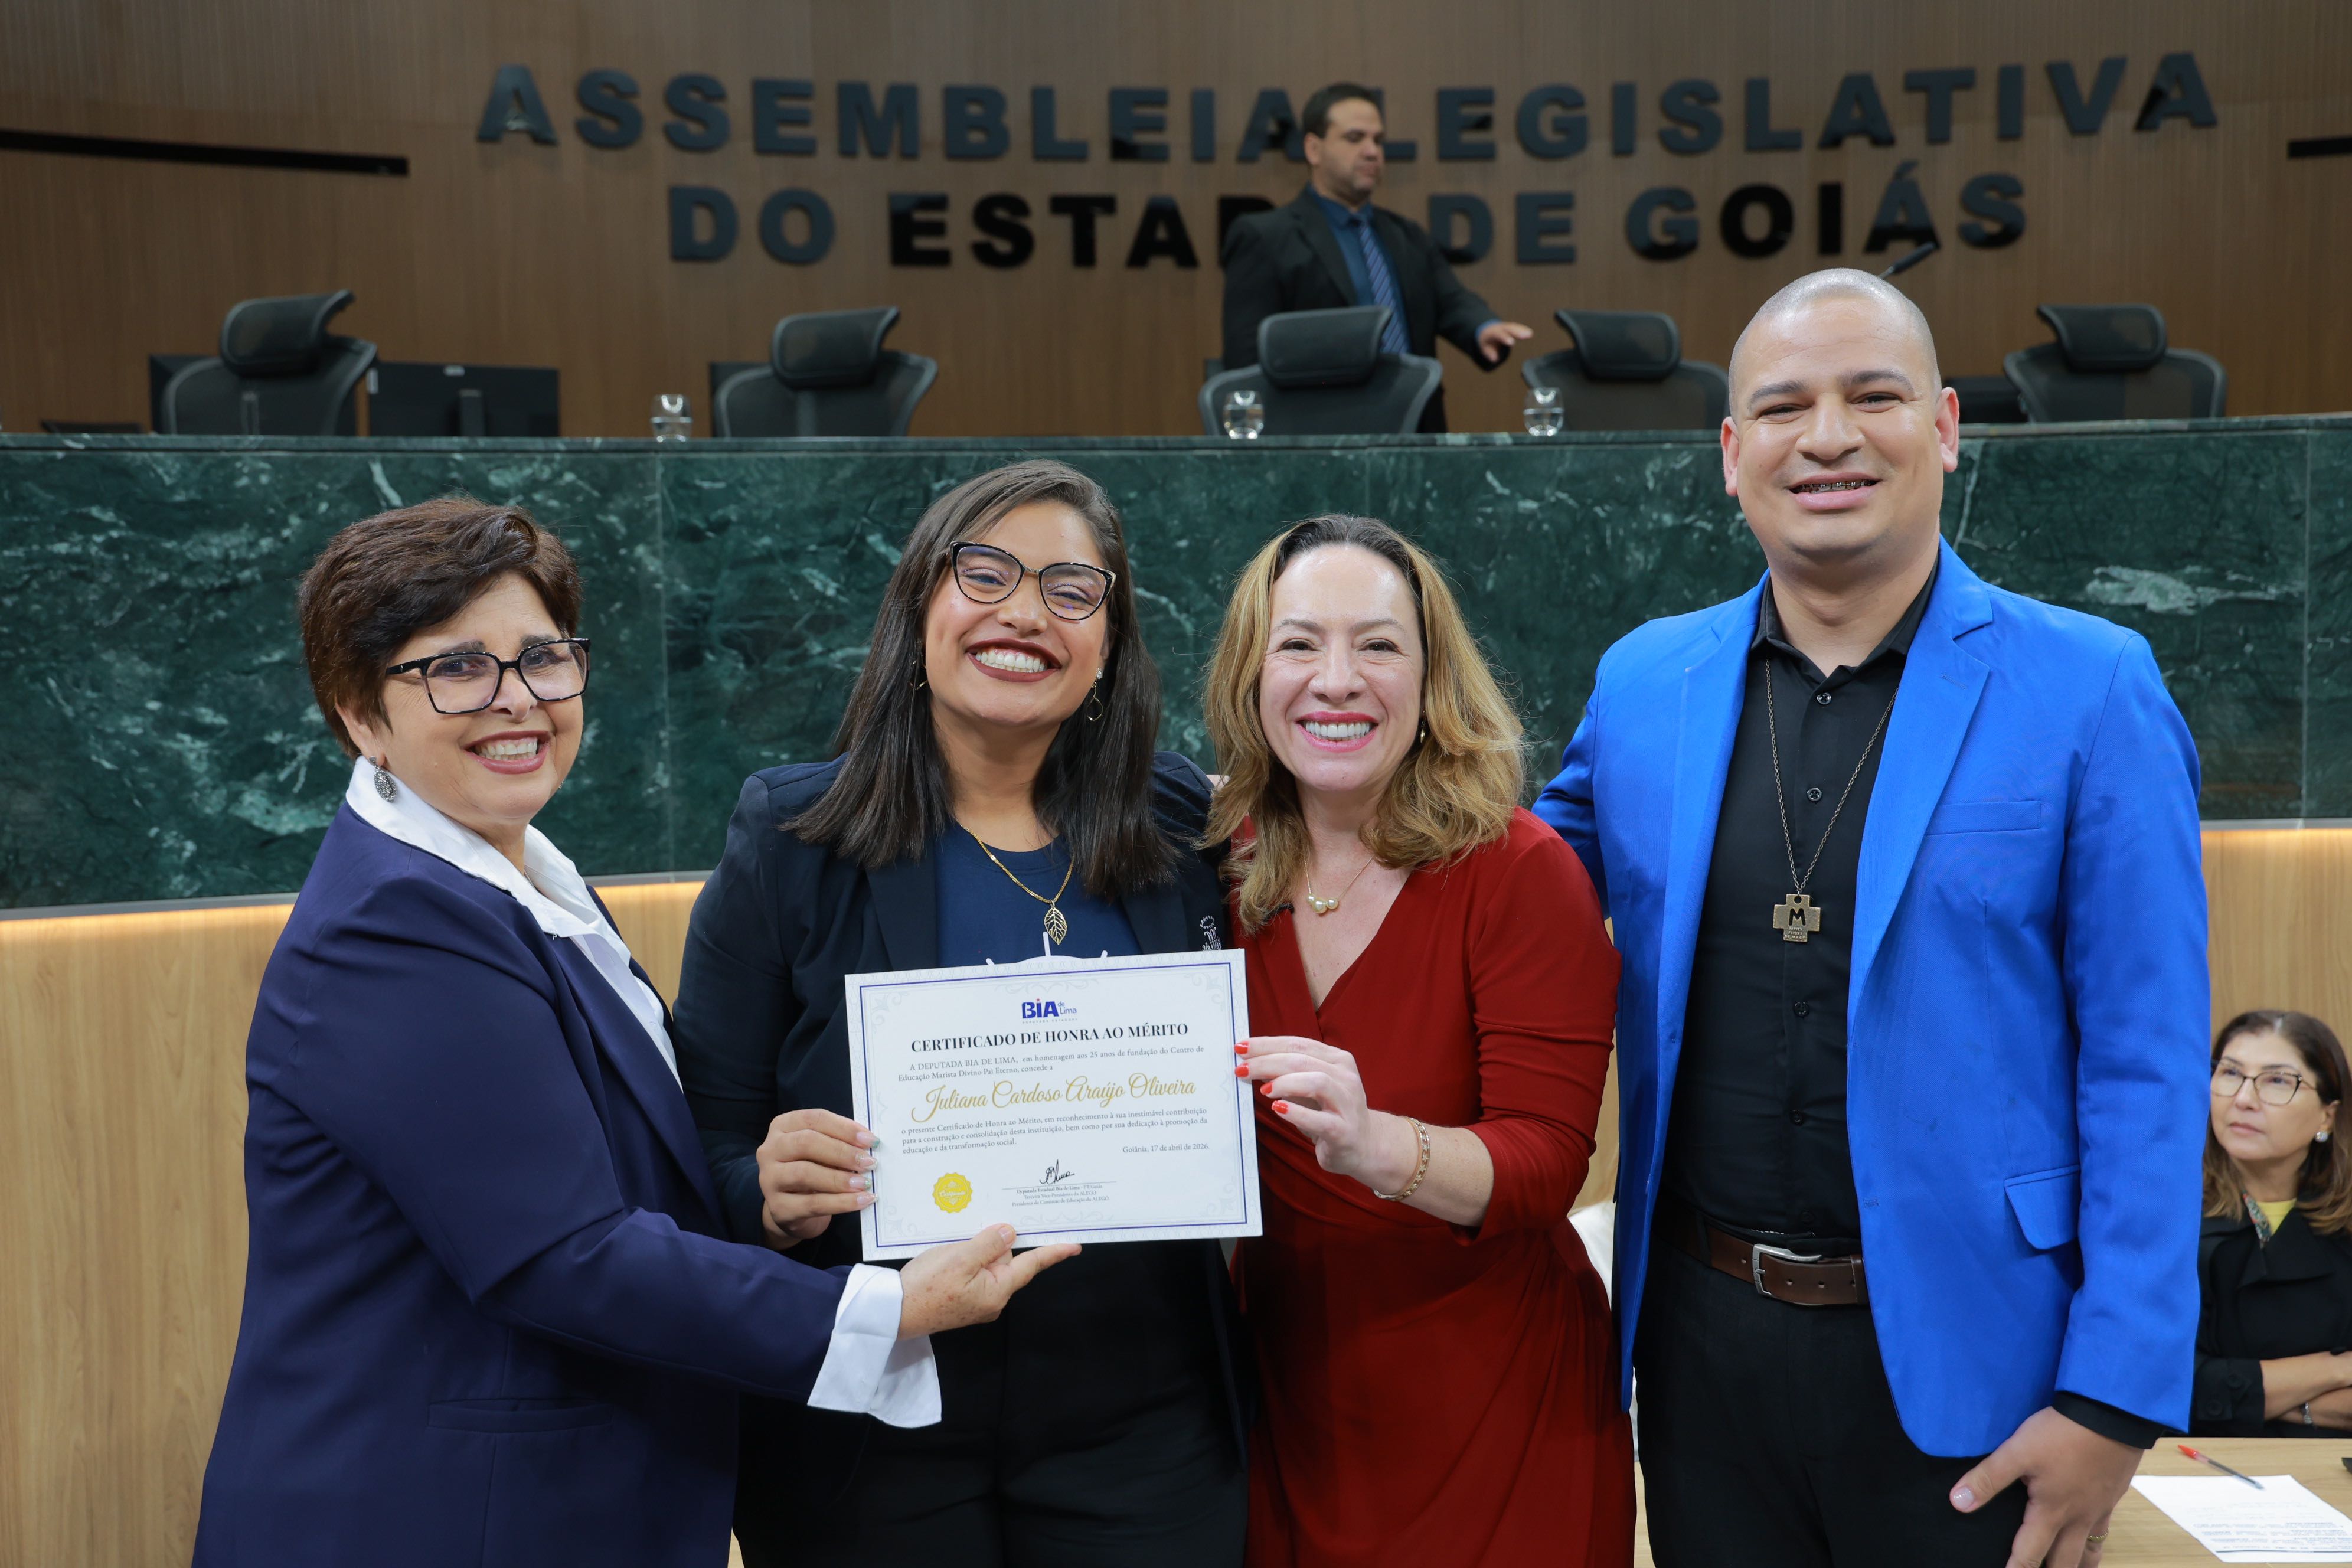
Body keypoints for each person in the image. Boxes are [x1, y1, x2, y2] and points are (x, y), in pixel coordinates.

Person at [195, 499, 1069, 1568]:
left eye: (542, 658)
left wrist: (766, 1191)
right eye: (456, 668)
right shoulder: (392, 927)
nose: (518, 700)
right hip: (433, 1515)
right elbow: (563, 1254)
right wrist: (880, 1308)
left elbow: (626, 1171)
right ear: (358, 712)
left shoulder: (514, 876)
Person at [1537, 269, 2210, 1568]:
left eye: (1873, 396)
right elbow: (1501, 889)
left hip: (1991, 1374)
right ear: (1730, 454)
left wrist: (2112, 1397)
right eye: (1782, 406)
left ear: (1945, 427)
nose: (1828, 437)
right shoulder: (1642, 682)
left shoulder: (2092, 686)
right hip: (1700, 1366)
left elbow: (2148, 1061)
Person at [670, 459, 1249, 1567]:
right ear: (918, 609)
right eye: (984, 573)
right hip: (878, 1422)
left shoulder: (1181, 826)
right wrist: (768, 1193)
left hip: (1145, 1413)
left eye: (1070, 590)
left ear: (1109, 645)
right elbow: (702, 1141)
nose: (1023, 613)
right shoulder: (791, 839)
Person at [1212, 514, 1633, 1566]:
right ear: (1250, 674)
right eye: (1298, 643)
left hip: (1494, 1405)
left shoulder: (1519, 872)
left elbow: (1547, 1161)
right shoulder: (1209, 868)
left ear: (1432, 676)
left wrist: (1376, 1145)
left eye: (1378, 645)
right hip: (1279, 1400)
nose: (1336, 680)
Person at [1219, 82, 1533, 433]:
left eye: (1378, 141)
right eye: (1355, 139)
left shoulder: (1406, 235)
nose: (1372, 152)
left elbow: (1452, 300)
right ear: (1313, 149)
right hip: (1319, 436)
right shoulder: (1266, 237)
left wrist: (1483, 328)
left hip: (1415, 433)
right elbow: (1245, 364)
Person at [2194, 1010, 2352, 1435]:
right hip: (2199, 1462)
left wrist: (2251, 1398)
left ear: (2327, 1116)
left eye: (2278, 1081)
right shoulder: (2169, 1214)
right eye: (2230, 1073)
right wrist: (2334, 1370)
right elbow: (2166, 1386)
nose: (2244, 1098)